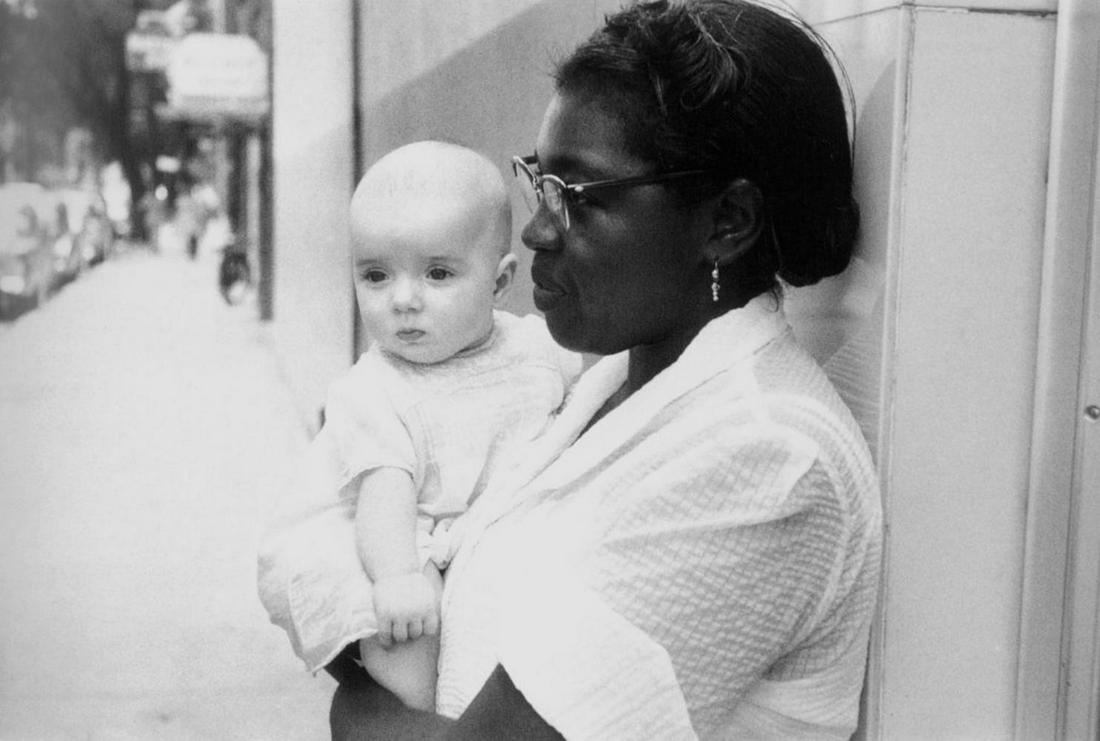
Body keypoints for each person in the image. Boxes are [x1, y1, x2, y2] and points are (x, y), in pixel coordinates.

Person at [319, 1, 882, 738]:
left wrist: (357, 702)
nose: (535, 229)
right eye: (539, 181)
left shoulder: (771, 459)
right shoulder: (607, 385)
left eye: (577, 197)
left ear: (727, 222)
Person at [257, 141, 581, 711]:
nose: (403, 300)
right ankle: (422, 714)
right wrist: (397, 577)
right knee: (407, 630)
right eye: (376, 276)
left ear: (499, 282)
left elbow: (577, 411)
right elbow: (385, 491)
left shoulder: (535, 349)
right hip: (415, 535)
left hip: (506, 521)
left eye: (437, 273)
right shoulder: (374, 389)